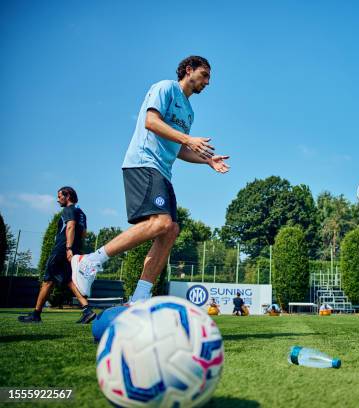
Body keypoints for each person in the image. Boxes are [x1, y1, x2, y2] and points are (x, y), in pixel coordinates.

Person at [71, 56, 230, 303]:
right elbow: (151, 122)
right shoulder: (165, 87)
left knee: (171, 230)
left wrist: (207, 160)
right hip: (143, 162)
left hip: (163, 172)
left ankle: (139, 297)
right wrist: (188, 139)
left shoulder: (189, 112)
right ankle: (89, 261)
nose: (208, 82)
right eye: (205, 75)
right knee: (162, 223)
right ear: (189, 70)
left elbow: (179, 149)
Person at [18, 187, 96, 324]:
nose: (57, 199)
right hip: (73, 250)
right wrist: (75, 249)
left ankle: (36, 314)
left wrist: (68, 248)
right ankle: (87, 310)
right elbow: (83, 233)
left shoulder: (68, 210)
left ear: (68, 196)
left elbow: (70, 226)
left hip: (62, 250)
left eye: (60, 196)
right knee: (68, 280)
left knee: (48, 280)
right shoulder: (81, 213)